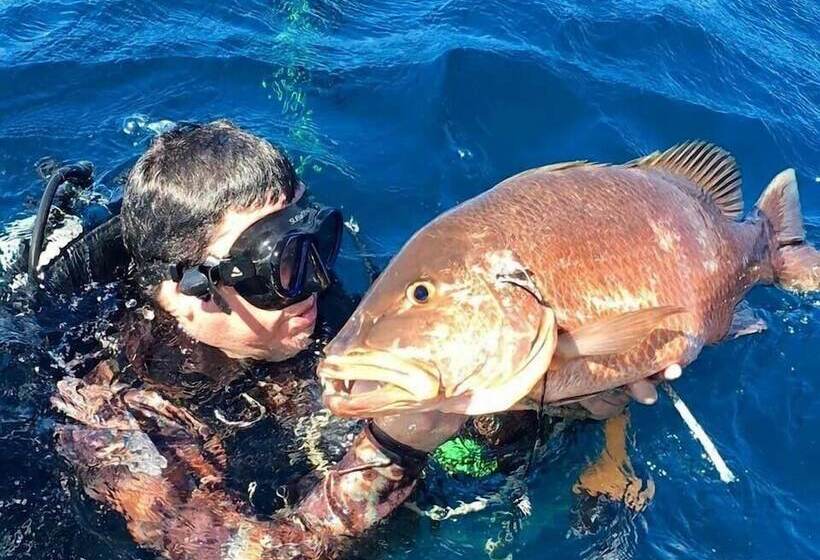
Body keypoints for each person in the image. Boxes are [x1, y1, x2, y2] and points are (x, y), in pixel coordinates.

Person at [49, 120, 677, 559]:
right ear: (187, 290)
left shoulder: (318, 320)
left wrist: (562, 395)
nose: (317, 284)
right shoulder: (114, 412)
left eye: (318, 245)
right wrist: (396, 446)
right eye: (281, 267)